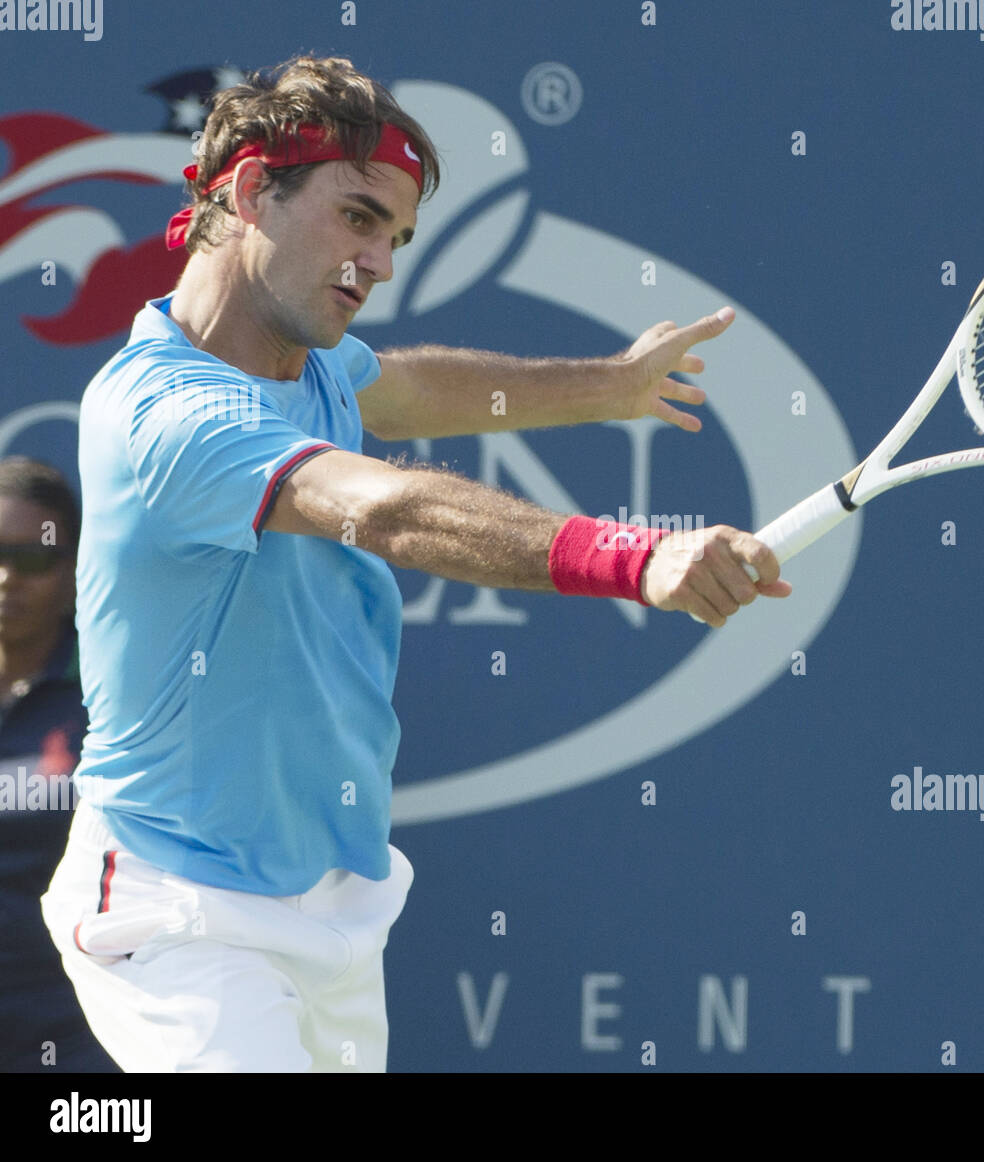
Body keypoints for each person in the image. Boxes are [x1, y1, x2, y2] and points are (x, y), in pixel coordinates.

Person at [41, 54, 788, 1072]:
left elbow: (407, 386)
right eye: (357, 217)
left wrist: (605, 384)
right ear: (251, 190)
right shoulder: (165, 413)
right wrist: (633, 557)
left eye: (394, 236)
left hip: (336, 903)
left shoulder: (305, 361)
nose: (381, 262)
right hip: (184, 920)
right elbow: (387, 507)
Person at [0, 457, 115, 1072]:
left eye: (35, 558)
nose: (6, 577)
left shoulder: (115, 698)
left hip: (81, 1036)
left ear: (74, 573)